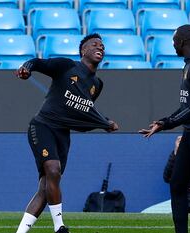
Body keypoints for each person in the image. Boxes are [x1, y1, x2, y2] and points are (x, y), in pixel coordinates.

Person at [15, 33, 118, 233]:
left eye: (103, 46)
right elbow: (37, 62)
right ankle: (59, 227)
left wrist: (103, 123)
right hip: (42, 126)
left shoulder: (97, 85)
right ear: (83, 51)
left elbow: (80, 116)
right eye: (95, 44)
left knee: (46, 188)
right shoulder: (66, 66)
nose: (101, 48)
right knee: (53, 169)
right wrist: (27, 68)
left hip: (63, 135)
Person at [139, 24, 190, 233]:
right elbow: (188, 107)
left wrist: (166, 123)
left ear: (182, 42)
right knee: (177, 183)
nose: (173, 44)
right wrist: (164, 122)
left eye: (174, 41)